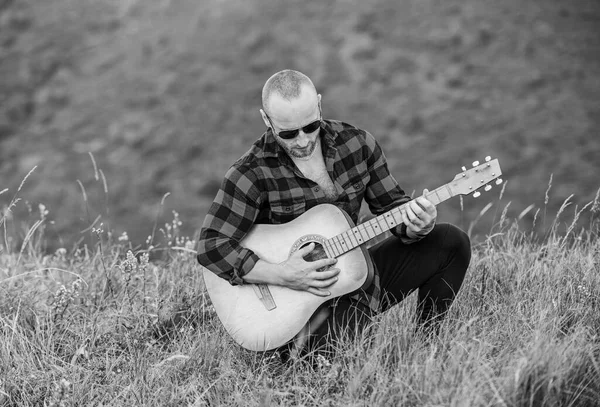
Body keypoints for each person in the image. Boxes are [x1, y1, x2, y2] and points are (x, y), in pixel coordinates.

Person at [196, 69, 471, 360]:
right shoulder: (251, 172)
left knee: (450, 242)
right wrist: (283, 274)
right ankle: (303, 351)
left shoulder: (357, 144)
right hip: (301, 308)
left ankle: (429, 350)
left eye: (310, 126)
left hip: (357, 278)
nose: (302, 140)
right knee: (356, 360)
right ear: (267, 120)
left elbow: (392, 207)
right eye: (288, 133)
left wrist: (416, 226)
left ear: (319, 104)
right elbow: (211, 246)